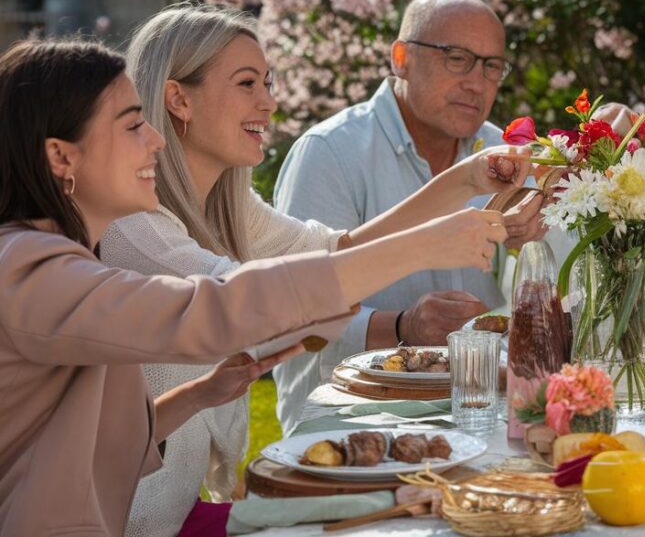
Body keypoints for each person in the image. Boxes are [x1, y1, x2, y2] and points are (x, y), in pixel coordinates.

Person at [0, 39, 508, 536]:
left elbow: (96, 437)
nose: (155, 138)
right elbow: (217, 308)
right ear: (60, 158)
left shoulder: (57, 259)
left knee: (398, 506)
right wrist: (420, 249)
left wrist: (199, 395)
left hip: (158, 515)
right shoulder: (30, 270)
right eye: (133, 125)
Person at [272, 0, 547, 432]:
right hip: (350, 426)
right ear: (401, 58)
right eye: (457, 57)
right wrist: (404, 326)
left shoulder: (502, 153)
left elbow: (552, 276)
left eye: (491, 66)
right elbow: (290, 313)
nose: (476, 82)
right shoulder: (329, 153)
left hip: (478, 417)